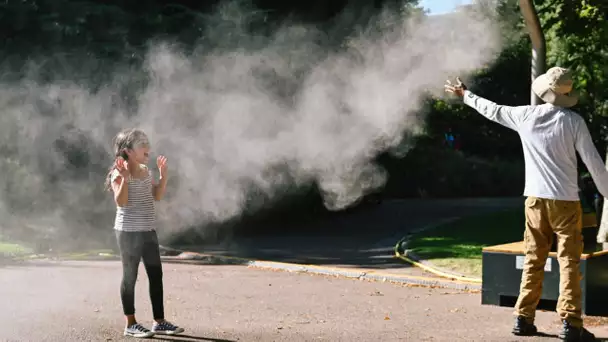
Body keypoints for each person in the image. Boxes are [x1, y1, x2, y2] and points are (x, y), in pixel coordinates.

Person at [445, 67, 607, 342]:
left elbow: (493, 109)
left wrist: (466, 94)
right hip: (566, 202)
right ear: (566, 95)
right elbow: (593, 161)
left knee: (533, 259)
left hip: (533, 200)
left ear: (544, 91)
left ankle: (523, 318)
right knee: (569, 262)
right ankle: (571, 324)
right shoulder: (574, 122)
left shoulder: (525, 116)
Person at [104, 128, 185, 338]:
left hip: (148, 230)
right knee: (130, 276)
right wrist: (123, 179)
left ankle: (159, 322)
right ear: (128, 151)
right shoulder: (118, 173)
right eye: (142, 144)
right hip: (128, 232)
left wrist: (163, 176)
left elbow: (156, 196)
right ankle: (130, 323)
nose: (148, 146)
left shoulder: (145, 171)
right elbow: (121, 202)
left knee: (155, 275)